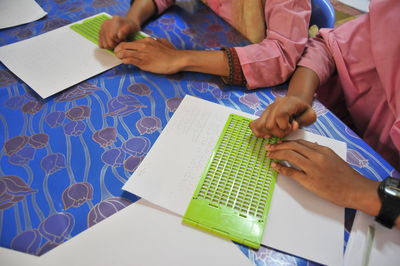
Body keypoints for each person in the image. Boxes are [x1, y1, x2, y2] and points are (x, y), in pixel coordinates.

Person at [250, 0, 400, 229]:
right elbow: (328, 47)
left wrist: (363, 193)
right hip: (351, 140)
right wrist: (299, 97)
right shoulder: (392, 13)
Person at [99, 0, 311, 89]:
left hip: (266, 79)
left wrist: (181, 59)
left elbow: (281, 55)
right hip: (214, 39)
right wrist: (133, 18)